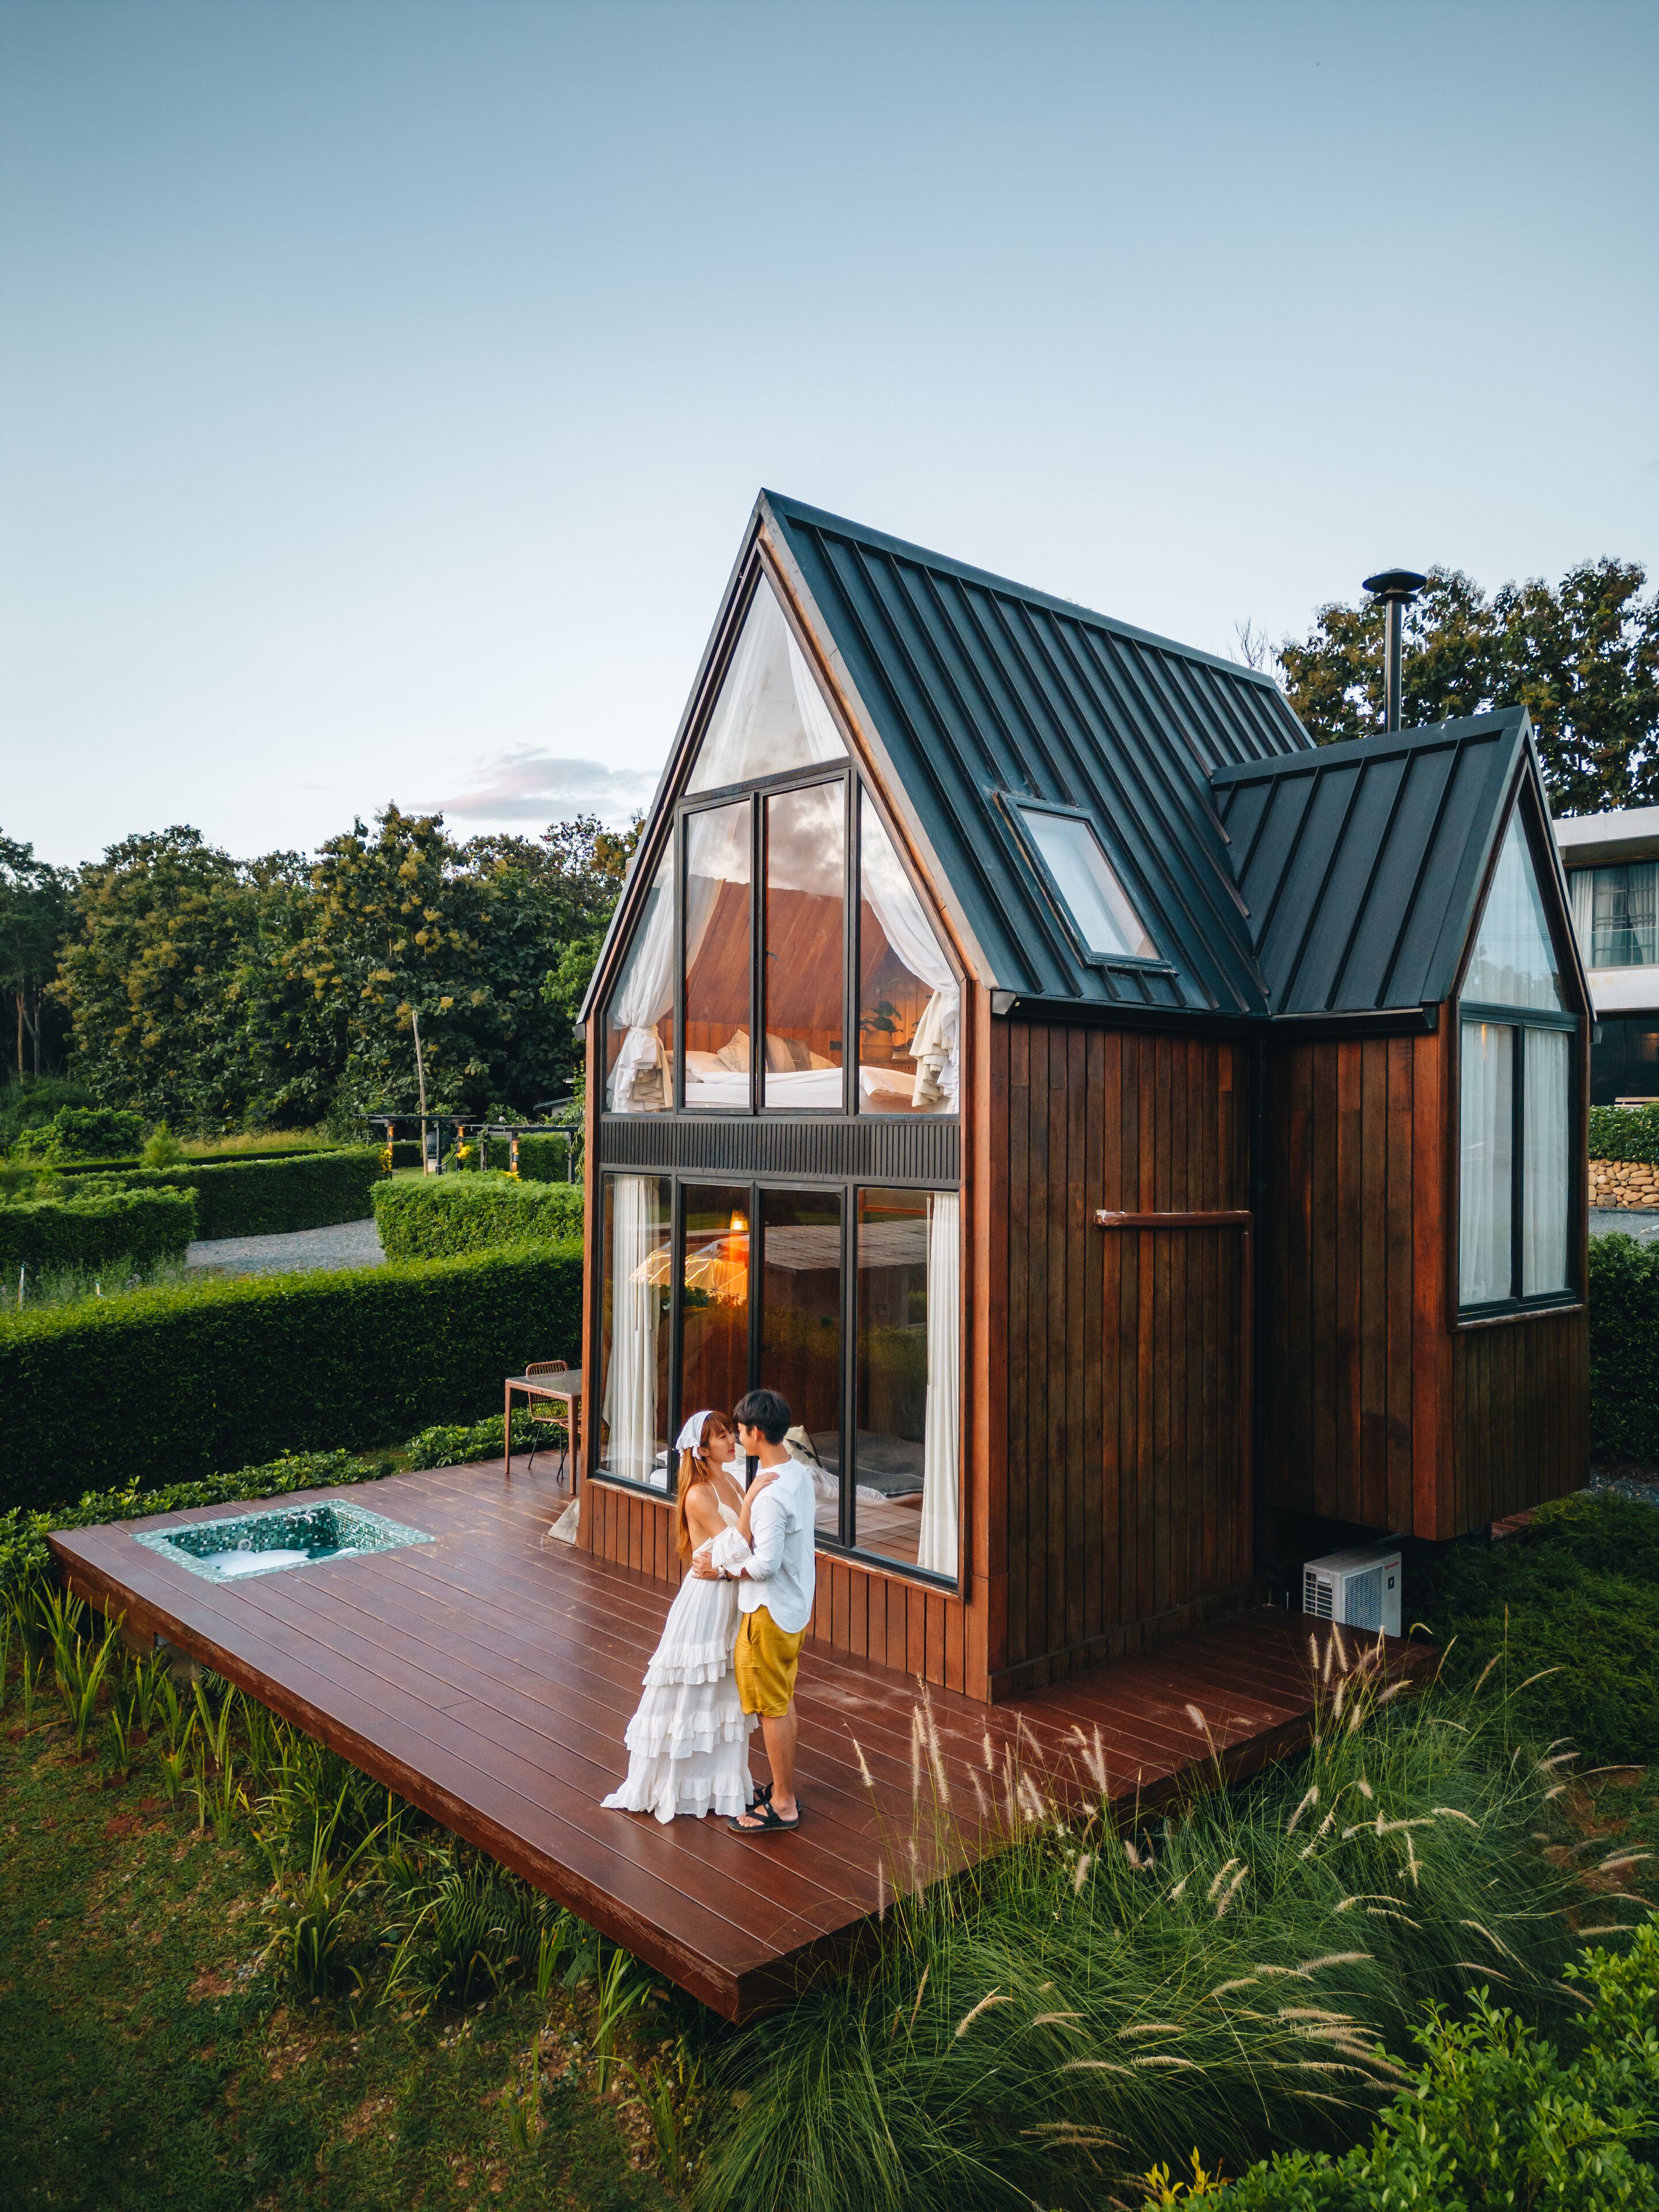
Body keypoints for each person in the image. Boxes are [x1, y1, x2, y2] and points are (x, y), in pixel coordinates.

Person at [601, 1411, 756, 1823]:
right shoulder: (699, 1494)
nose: (730, 1442)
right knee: (691, 1689)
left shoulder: (733, 1482)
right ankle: (677, 1782)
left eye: (729, 1435)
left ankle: (720, 1783)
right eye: (721, 1437)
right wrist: (759, 1499)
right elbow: (739, 1544)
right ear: (702, 1450)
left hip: (730, 1594)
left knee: (724, 1692)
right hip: (706, 1602)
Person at [694, 1387, 815, 1833]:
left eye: (740, 1431)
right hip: (793, 1606)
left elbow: (765, 1564)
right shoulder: (797, 1474)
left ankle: (783, 1803)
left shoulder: (769, 1495)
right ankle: (782, 1787)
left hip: (768, 1612)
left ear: (757, 1432)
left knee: (771, 1707)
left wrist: (723, 1572)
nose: (737, 1439)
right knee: (781, 1700)